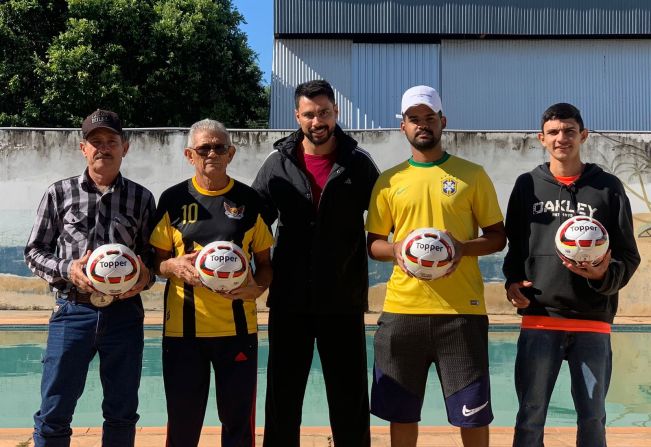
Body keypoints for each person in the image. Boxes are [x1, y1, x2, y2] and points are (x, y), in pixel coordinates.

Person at [366, 85, 506, 447]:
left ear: (443, 121)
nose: (422, 125)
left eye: (429, 118)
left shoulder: (471, 175)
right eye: (414, 119)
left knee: (472, 414)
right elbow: (373, 244)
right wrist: (397, 249)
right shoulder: (388, 181)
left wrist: (461, 248)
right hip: (401, 312)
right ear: (404, 126)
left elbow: (497, 236)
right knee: (401, 414)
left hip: (461, 312)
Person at [503, 103, 641, 447]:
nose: (561, 138)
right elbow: (516, 250)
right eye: (553, 132)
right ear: (541, 138)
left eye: (568, 131)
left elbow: (628, 256)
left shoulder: (608, 187)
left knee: (593, 418)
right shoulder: (527, 186)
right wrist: (511, 283)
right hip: (540, 320)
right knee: (530, 415)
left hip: (591, 322)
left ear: (583, 135)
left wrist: (601, 274)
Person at [251, 79, 379, 446]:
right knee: (283, 396)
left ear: (336, 112)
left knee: (350, 397)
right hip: (290, 299)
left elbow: (389, 218)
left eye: (324, 112)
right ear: (297, 116)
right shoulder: (277, 164)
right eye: (309, 114)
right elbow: (253, 223)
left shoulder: (359, 164)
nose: (317, 120)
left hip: (342, 299)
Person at [24, 109, 156, 446]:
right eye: (95, 142)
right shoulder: (59, 193)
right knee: (54, 410)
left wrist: (144, 277)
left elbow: (152, 257)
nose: (103, 148)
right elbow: (34, 251)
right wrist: (68, 270)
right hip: (72, 311)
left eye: (111, 141)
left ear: (125, 147)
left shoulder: (141, 198)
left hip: (125, 315)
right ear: (83, 148)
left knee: (122, 411)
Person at [150, 119, 273, 447]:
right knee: (182, 425)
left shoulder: (249, 201)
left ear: (231, 153)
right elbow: (154, 262)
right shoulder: (173, 200)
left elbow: (265, 264)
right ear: (190, 155)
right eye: (204, 148)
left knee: (238, 426)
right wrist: (171, 264)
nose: (212, 154)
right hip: (183, 333)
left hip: (237, 332)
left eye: (220, 147)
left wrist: (258, 288)